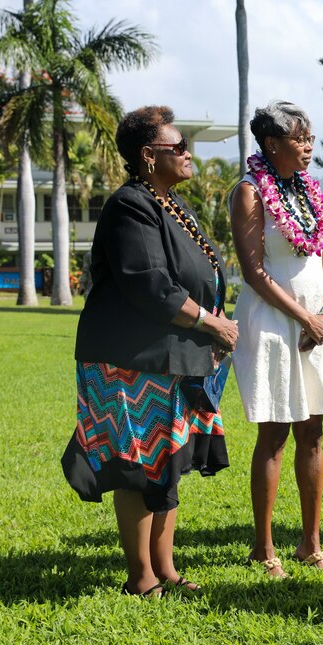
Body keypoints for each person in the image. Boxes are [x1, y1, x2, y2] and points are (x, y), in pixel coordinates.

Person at [62, 105, 239, 596]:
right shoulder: (130, 206)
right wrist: (210, 322)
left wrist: (213, 324)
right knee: (138, 465)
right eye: (177, 147)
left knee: (168, 459)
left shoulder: (170, 205)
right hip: (129, 359)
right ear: (148, 154)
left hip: (173, 356)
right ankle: (141, 577)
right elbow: (150, 284)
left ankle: (167, 569)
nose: (188, 155)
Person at [230, 100, 323, 578]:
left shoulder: (309, 190)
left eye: (310, 138)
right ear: (271, 144)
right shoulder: (249, 194)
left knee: (313, 432)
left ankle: (310, 543)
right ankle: (263, 549)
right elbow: (255, 272)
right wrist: (304, 317)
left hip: (319, 321)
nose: (308, 147)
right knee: (275, 434)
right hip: (274, 321)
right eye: (299, 139)